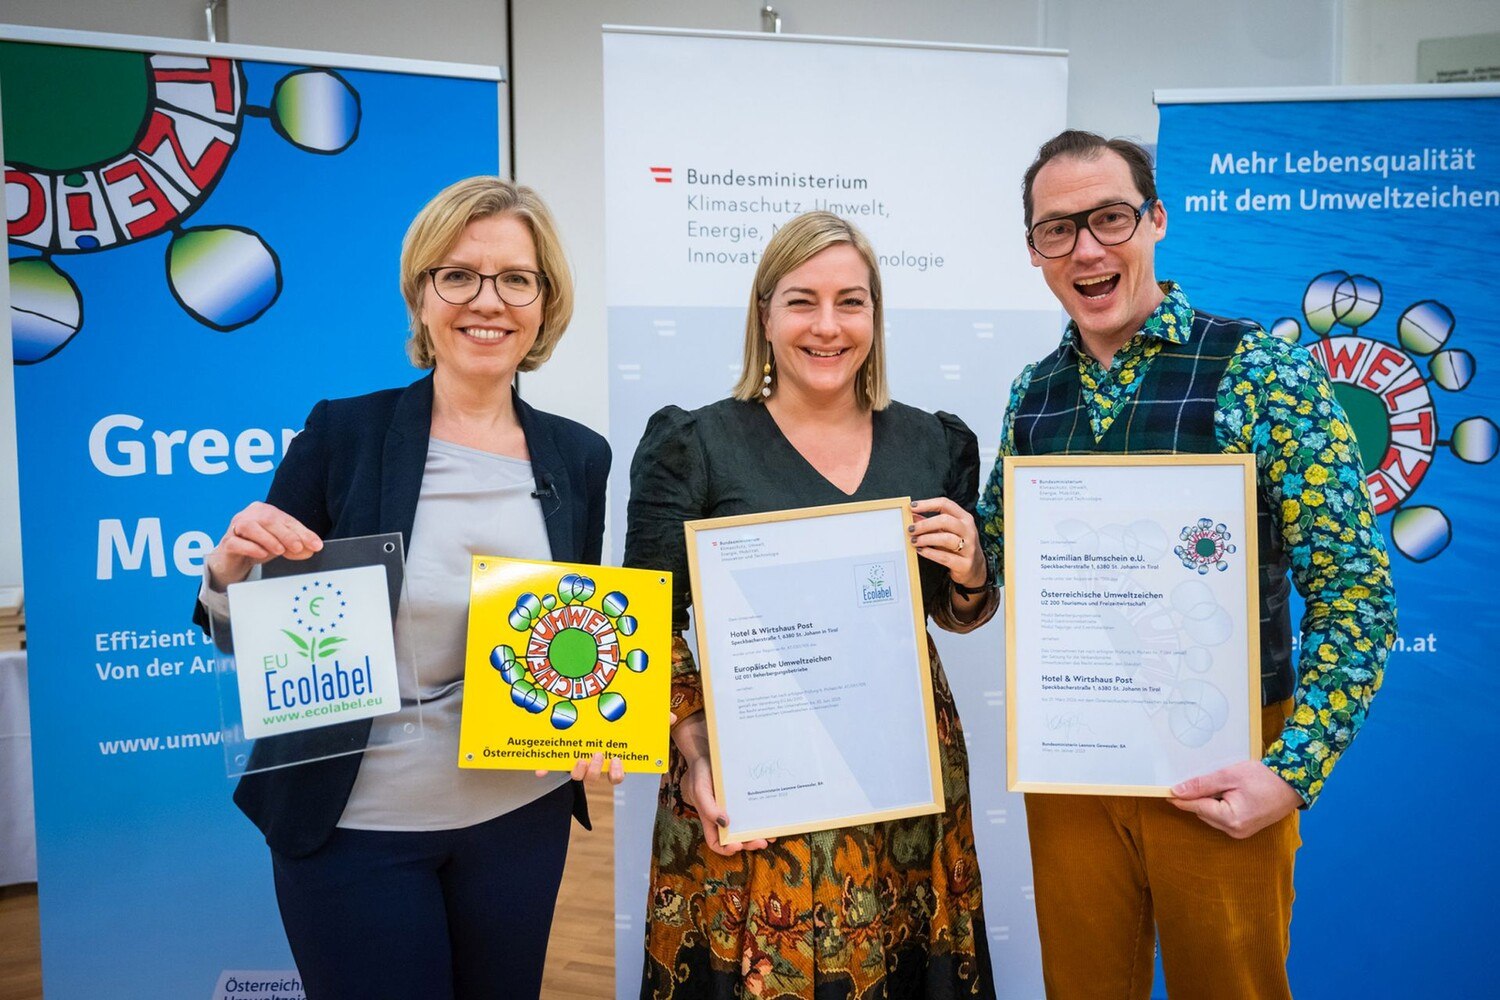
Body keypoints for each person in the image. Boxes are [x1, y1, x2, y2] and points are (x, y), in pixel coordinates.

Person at [976, 130, 1397, 999]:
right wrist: (954, 554)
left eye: (1110, 218)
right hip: (1073, 759)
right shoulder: (1033, 394)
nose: (1087, 248)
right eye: (1059, 229)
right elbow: (997, 556)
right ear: (1034, 251)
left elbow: (1356, 592)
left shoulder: (1259, 370)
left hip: (1224, 759)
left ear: (1156, 220)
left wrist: (1292, 769)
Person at [193, 177, 614, 1000]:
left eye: (515, 279)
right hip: (355, 824)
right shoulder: (345, 435)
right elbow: (246, 634)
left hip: (517, 819)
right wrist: (225, 576)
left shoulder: (580, 456)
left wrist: (595, 716)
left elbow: (577, 632)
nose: (486, 301)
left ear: (544, 304)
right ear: (422, 297)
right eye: (457, 275)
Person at [626, 211, 999, 999]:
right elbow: (649, 622)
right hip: (746, 776)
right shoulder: (692, 444)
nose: (827, 326)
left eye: (850, 302)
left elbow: (954, 610)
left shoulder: (934, 442)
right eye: (802, 301)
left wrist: (970, 573)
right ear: (764, 314)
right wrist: (695, 752)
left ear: (876, 316)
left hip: (903, 783)